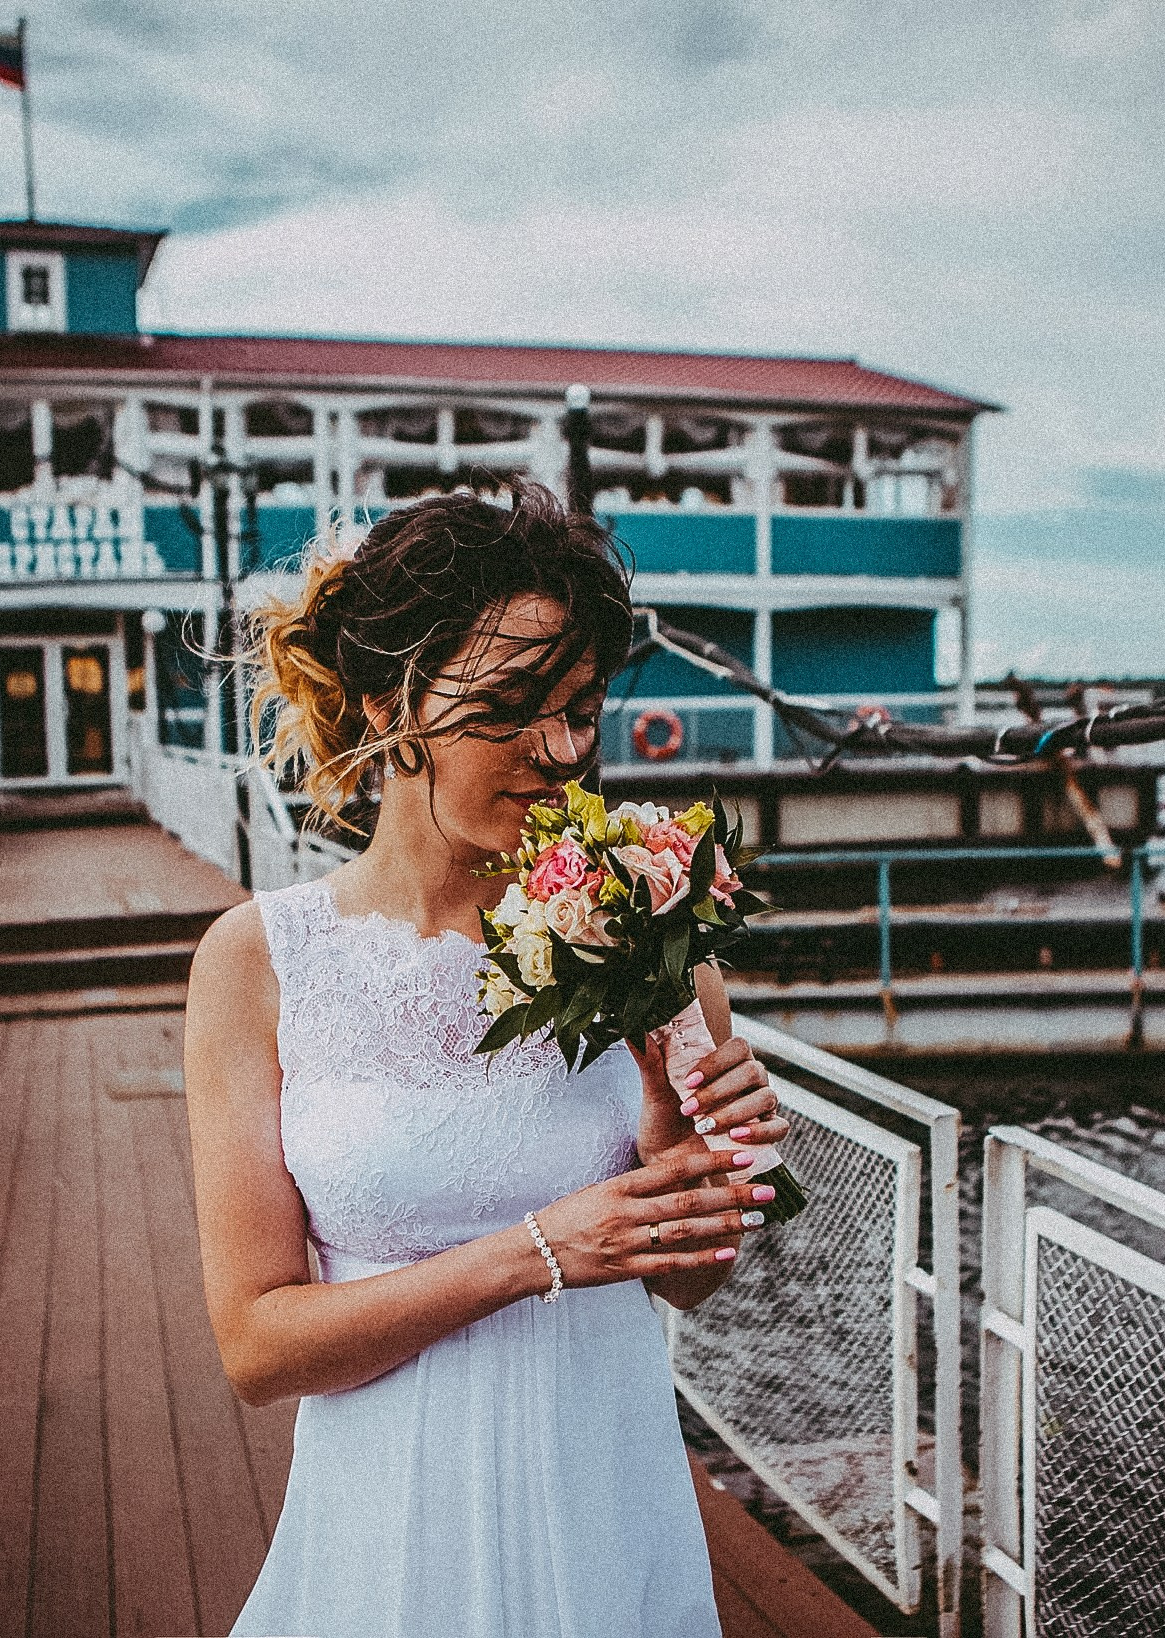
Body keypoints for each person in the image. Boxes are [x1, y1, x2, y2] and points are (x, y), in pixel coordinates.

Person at [185, 477, 791, 1638]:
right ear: (384, 701)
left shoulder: (656, 936)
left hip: (606, 1500)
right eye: (509, 705)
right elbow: (256, 1348)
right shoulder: (258, 961)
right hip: (387, 1525)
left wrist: (682, 1151)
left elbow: (695, 1278)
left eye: (579, 707)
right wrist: (535, 1254)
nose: (560, 750)